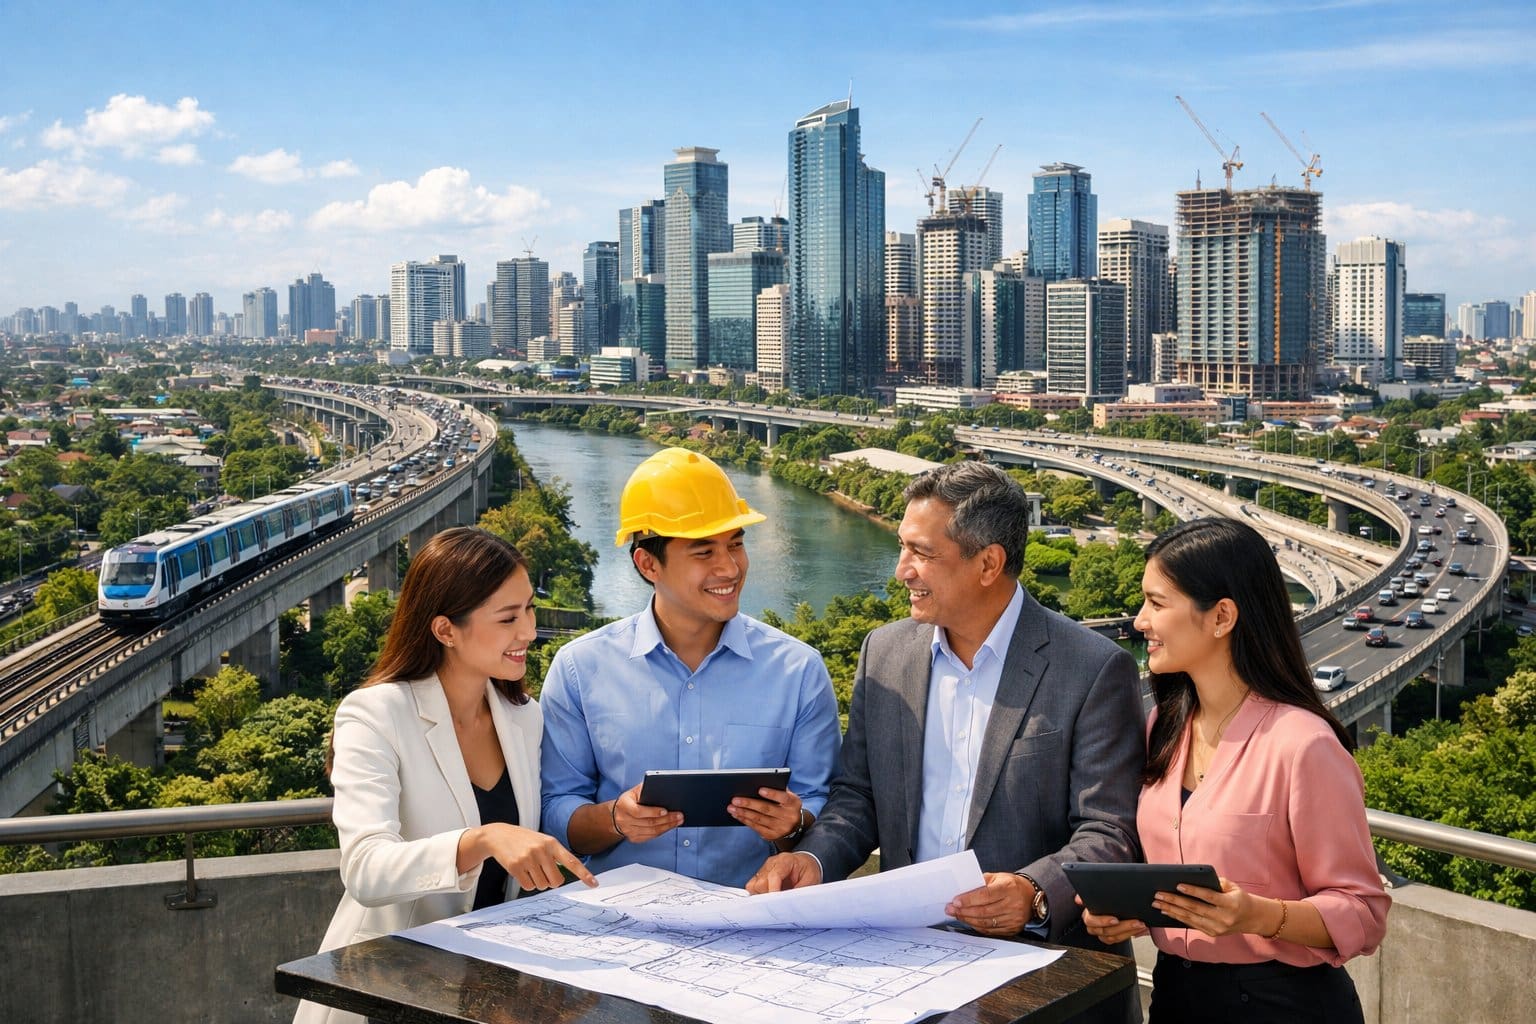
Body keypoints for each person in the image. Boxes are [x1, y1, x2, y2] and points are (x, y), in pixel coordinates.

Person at [747, 461, 1145, 1024]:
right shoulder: (884, 653)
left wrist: (1033, 891)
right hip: (905, 973)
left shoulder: (1093, 667)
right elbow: (857, 796)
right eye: (902, 548)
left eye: (922, 553)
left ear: (988, 563)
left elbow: (1110, 830)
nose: (900, 570)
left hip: (1042, 984)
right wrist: (813, 859)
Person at [1082, 517, 1390, 1023]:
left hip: (1284, 1006)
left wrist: (1256, 915)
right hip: (1177, 993)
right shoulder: (1164, 725)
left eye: (1157, 604)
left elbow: (1364, 912)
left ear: (1221, 616)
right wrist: (1131, 909)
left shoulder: (1303, 744)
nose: (1139, 620)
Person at [295, 528, 595, 1024]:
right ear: (445, 630)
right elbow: (366, 870)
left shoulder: (523, 717)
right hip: (389, 989)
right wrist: (479, 840)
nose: (528, 632)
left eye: (529, 609)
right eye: (507, 618)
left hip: (488, 993)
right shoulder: (374, 714)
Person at [539, 448, 842, 888]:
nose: (730, 567)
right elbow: (556, 808)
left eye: (736, 544)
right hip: (617, 923)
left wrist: (793, 824)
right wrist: (615, 819)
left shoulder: (798, 671)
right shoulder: (580, 669)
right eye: (704, 552)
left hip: (751, 919)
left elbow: (821, 800)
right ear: (648, 564)